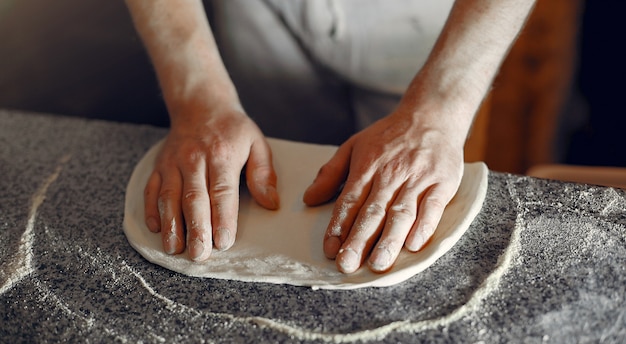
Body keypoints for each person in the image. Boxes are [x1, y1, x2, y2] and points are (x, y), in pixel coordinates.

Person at [124, 0, 535, 274]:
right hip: (263, 13)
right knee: (269, 188)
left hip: (433, 23)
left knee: (399, 221)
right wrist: (198, 99)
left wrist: (438, 110)